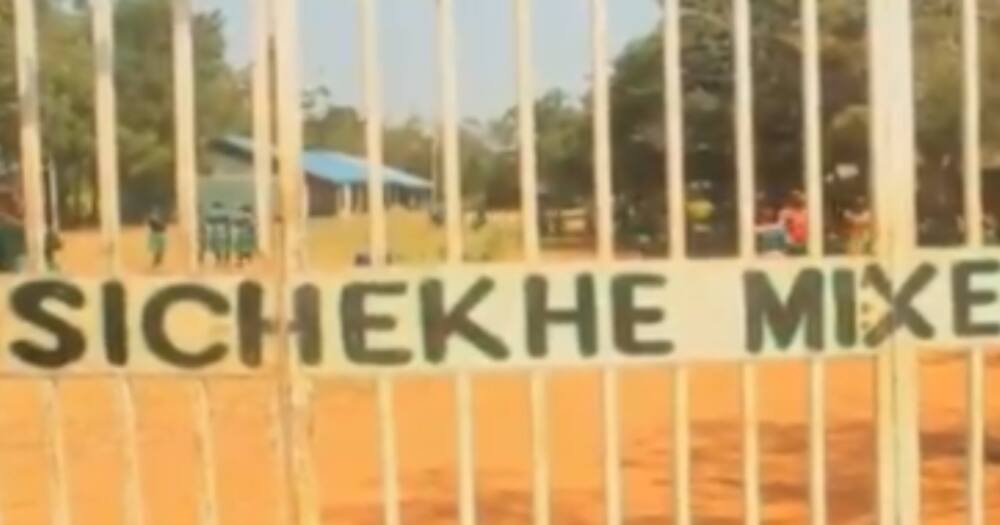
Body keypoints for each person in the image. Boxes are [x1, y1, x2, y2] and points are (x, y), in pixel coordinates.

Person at [778, 190, 808, 255]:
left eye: (799, 197)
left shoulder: (806, 212)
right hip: (791, 244)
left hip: (805, 243)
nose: (797, 199)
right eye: (794, 198)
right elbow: (782, 228)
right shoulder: (785, 213)